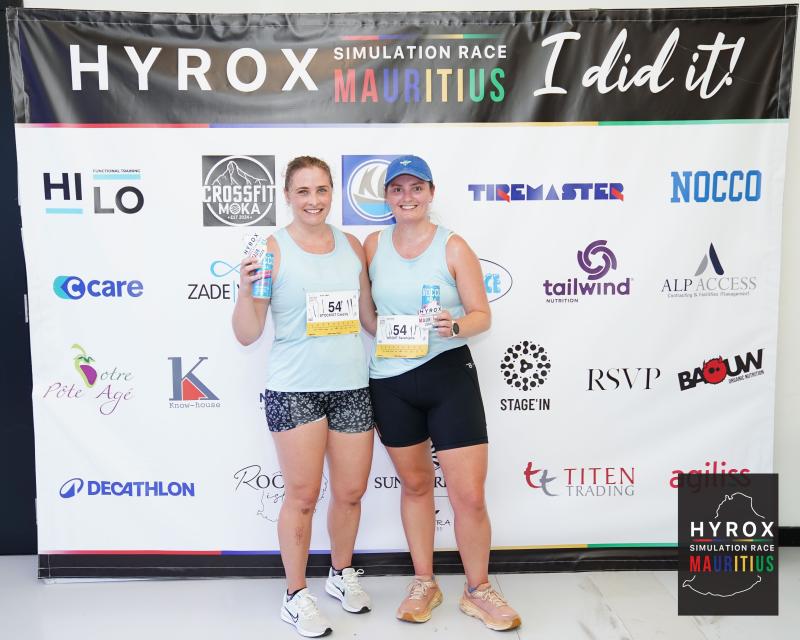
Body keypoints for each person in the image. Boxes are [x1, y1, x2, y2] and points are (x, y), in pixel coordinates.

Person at [364, 155, 521, 631]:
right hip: (391, 379)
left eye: (417, 188)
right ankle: (424, 583)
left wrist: (454, 325)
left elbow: (482, 315)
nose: (407, 197)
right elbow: (368, 316)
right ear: (387, 197)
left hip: (448, 374)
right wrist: (388, 332)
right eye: (397, 189)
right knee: (415, 487)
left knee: (468, 495)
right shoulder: (373, 246)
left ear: (431, 193)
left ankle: (478, 589)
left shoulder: (453, 246)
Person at [233, 156, 377, 638]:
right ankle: (295, 595)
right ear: (288, 196)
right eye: (303, 191)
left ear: (332, 192)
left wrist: (417, 330)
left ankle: (340, 573)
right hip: (295, 389)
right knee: (302, 496)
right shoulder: (272, 251)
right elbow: (247, 333)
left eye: (321, 190)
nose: (313, 201)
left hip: (351, 386)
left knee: (351, 491)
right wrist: (244, 289)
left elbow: (369, 319)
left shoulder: (351, 246)